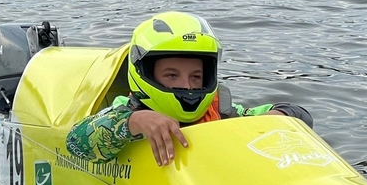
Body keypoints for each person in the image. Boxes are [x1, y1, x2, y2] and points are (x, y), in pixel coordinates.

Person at [66, 11, 313, 166]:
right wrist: (135, 121)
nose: (187, 86)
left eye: (196, 76)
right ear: (145, 73)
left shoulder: (222, 113)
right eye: (172, 75)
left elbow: (297, 113)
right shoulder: (125, 111)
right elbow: (77, 144)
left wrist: (278, 119)